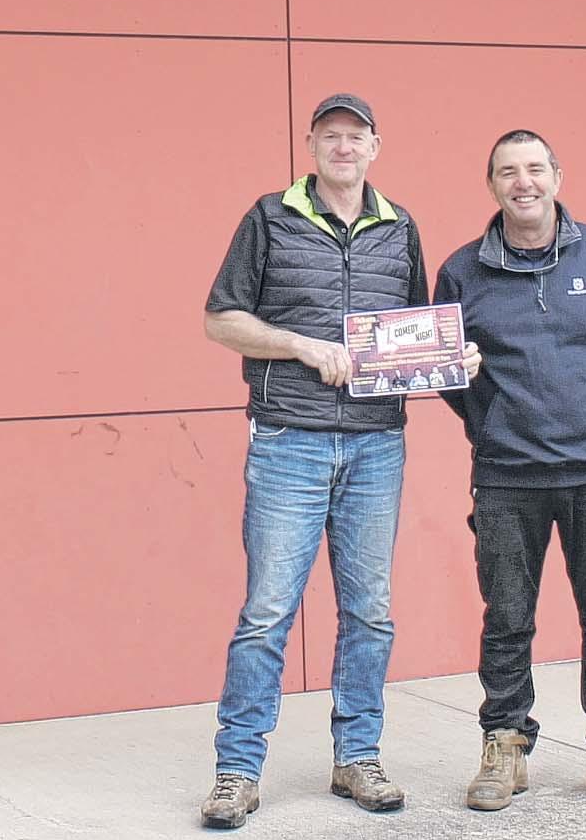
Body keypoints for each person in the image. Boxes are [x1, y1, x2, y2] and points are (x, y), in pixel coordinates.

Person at [200, 93, 476, 829]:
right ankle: (236, 770)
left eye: (356, 136)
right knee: (267, 612)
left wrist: (454, 358)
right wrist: (298, 345)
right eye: (331, 136)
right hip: (288, 439)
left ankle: (358, 756)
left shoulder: (400, 226)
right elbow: (220, 320)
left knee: (369, 611)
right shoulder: (269, 218)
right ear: (312, 145)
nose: (344, 147)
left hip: (377, 443)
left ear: (375, 146)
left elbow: (410, 335)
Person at [434, 129, 586, 811]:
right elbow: (450, 373)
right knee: (507, 618)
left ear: (557, 177)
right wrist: (494, 422)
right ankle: (505, 745)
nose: (523, 182)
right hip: (507, 476)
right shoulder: (460, 271)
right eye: (508, 171)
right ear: (491, 185)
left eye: (535, 168)